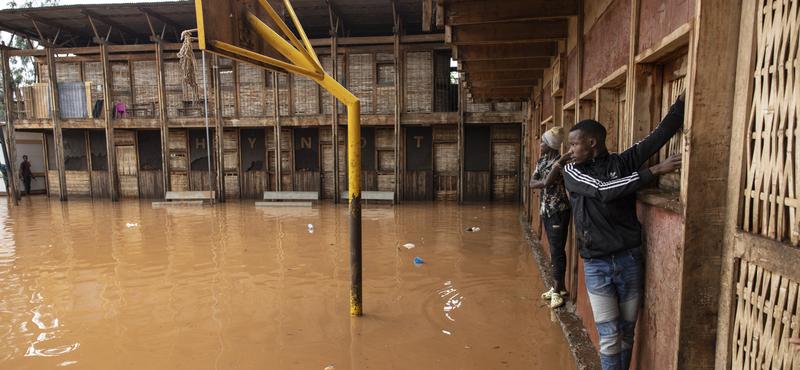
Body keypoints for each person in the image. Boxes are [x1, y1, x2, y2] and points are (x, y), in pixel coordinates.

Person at [558, 92, 685, 370]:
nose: (569, 151)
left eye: (574, 144)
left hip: (629, 260)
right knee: (610, 337)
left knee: (627, 334)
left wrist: (682, 103)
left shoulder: (621, 163)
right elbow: (603, 192)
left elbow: (658, 136)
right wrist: (653, 172)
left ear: (591, 143)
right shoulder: (572, 171)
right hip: (597, 264)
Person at [529, 127, 571, 309]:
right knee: (555, 250)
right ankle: (557, 287)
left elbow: (545, 182)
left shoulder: (562, 164)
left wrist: (558, 164)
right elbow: (532, 183)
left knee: (557, 250)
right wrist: (543, 181)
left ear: (551, 145)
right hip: (546, 210)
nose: (540, 144)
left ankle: (558, 291)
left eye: (543, 142)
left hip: (558, 211)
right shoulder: (543, 161)